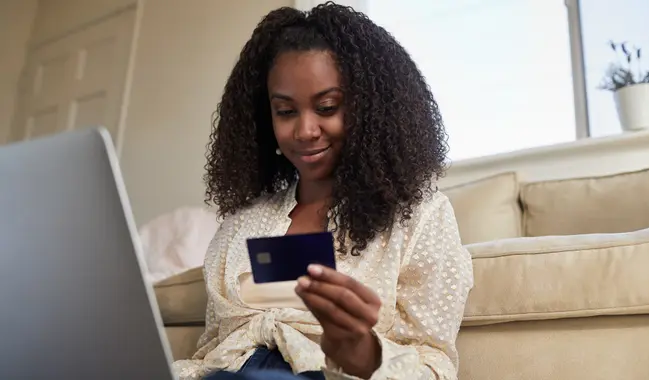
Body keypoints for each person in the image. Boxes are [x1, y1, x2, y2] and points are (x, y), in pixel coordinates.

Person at [172, 3, 473, 380]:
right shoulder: (240, 226)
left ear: (369, 109)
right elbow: (212, 350)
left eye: (327, 107)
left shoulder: (419, 216)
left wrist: (361, 353)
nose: (304, 130)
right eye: (285, 111)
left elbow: (435, 367)